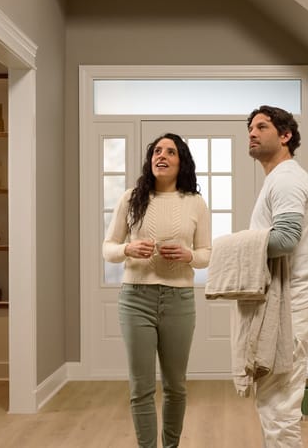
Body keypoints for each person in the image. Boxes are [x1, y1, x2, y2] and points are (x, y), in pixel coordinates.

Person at [102, 133, 212, 448]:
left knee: (176, 387)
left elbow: (206, 253)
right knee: (141, 387)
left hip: (179, 300)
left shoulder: (194, 202)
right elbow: (108, 248)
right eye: (156, 151)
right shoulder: (131, 198)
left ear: (182, 162)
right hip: (136, 299)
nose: (161, 156)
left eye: (170, 151)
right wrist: (128, 249)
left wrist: (189, 255)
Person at [246, 105, 308, 446]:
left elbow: (286, 240)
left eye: (262, 127)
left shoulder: (287, 179)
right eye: (250, 128)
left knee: (280, 405)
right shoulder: (279, 178)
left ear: (285, 136)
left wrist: (233, 246)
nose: (252, 133)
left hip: (289, 307)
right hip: (282, 303)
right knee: (273, 402)